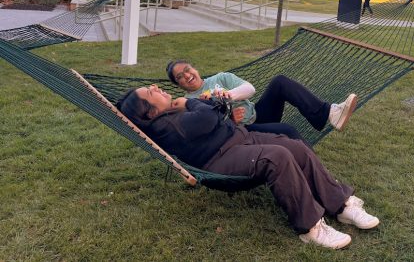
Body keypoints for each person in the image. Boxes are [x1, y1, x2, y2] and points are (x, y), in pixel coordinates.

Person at [116, 85, 380, 249]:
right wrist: (189, 102)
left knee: (296, 147)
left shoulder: (171, 115)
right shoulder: (167, 125)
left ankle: (341, 205)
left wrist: (199, 104)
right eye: (151, 92)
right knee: (276, 156)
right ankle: (310, 227)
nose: (156, 87)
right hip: (220, 160)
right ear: (150, 112)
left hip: (241, 139)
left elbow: (213, 109)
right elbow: (208, 116)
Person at [165, 61, 357, 141]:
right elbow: (202, 131)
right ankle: (318, 178)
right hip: (242, 132)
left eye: (187, 69)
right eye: (180, 76)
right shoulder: (187, 102)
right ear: (178, 84)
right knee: (289, 131)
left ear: (194, 68)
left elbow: (250, 89)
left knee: (280, 82)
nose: (187, 75)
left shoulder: (220, 78)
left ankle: (327, 114)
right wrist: (230, 120)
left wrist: (228, 96)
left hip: (258, 114)